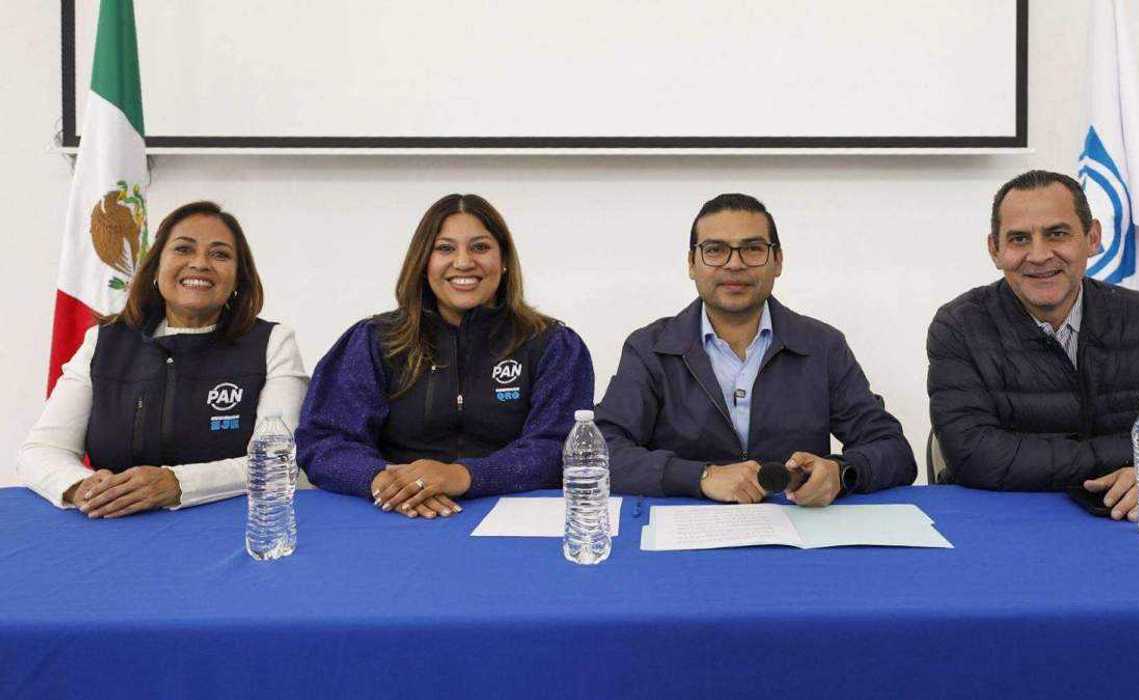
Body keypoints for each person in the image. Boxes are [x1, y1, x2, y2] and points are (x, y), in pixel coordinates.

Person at [927, 170, 1139, 520]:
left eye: (1057, 234)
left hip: (1128, 527)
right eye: (1018, 239)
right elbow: (975, 456)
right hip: (1002, 530)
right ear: (994, 250)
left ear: (1092, 238)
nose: (1040, 255)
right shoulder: (960, 327)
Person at [595, 193, 916, 505]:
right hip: (685, 537)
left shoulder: (822, 346)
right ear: (692, 263)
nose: (735, 264)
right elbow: (601, 452)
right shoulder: (650, 348)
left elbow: (893, 450)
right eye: (715, 250)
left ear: (777, 261)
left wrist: (840, 471)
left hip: (797, 534)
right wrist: (700, 477)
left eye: (752, 249)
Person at [296, 194, 593, 518]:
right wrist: (386, 482)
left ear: (504, 261)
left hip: (515, 521)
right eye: (445, 248)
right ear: (423, 262)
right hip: (396, 514)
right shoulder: (373, 340)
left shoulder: (553, 345)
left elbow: (558, 448)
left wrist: (460, 477)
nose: (464, 262)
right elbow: (324, 440)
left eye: (480, 247)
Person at [18, 201, 309, 517]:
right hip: (113, 527)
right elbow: (42, 450)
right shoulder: (103, 341)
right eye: (183, 249)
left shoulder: (272, 343)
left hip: (229, 527)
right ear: (155, 266)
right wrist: (83, 488)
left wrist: (178, 484)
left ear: (239, 277)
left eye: (220, 254)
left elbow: (280, 460)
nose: (200, 263)